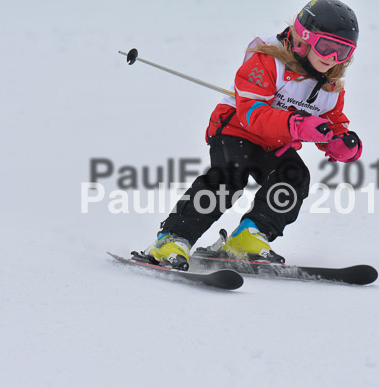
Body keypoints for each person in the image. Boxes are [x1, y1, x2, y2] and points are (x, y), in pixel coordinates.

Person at [136, 0, 362, 270]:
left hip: (274, 143)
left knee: (295, 177)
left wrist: (341, 143)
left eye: (343, 51)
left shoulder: (331, 86)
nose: (333, 58)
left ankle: (248, 236)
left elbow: (334, 122)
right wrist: (297, 125)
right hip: (234, 129)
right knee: (230, 177)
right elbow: (252, 113)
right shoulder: (268, 61)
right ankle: (172, 239)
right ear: (304, 39)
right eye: (327, 46)